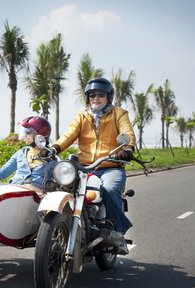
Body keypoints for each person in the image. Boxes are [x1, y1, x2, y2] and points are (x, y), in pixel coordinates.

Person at [49, 77, 136, 254]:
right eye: (92, 95)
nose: (96, 98)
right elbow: (69, 134)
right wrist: (54, 148)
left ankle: (117, 232)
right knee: (58, 186)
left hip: (111, 166)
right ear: (88, 97)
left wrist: (126, 149)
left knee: (111, 190)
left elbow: (127, 132)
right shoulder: (82, 115)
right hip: (85, 166)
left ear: (108, 97)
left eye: (101, 95)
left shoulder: (119, 114)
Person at [0, 116, 56, 193]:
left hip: (35, 195)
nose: (25, 136)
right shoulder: (21, 153)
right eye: (25, 132)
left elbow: (54, 184)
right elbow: (1, 174)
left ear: (39, 135)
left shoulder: (52, 158)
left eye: (28, 133)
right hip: (13, 190)